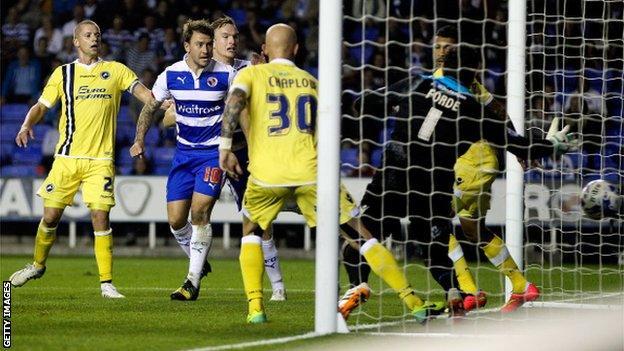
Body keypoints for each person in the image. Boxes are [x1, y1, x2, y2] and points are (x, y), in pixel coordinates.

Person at [219, 23, 445, 324]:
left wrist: (224, 147)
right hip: (312, 173)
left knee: (251, 233)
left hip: (267, 174)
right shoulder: (312, 82)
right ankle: (413, 302)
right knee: (361, 236)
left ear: (266, 49)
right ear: (296, 49)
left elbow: (234, 103)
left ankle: (256, 309)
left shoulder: (250, 74)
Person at [340, 43, 575, 318]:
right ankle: (454, 292)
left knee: (360, 237)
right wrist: (552, 146)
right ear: (475, 71)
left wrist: (393, 105)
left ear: (445, 65)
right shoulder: (475, 110)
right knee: (435, 248)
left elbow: (364, 103)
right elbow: (518, 144)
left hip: (394, 174)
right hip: (433, 185)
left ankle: (358, 286)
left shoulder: (418, 82)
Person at [9, 20, 155, 298]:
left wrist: (157, 99)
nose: (94, 39)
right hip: (66, 158)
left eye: (97, 35)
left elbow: (143, 94)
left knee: (100, 217)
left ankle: (106, 283)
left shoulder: (115, 70)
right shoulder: (63, 74)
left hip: (100, 160)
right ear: (76, 41)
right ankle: (38, 265)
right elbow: (42, 106)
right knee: (50, 217)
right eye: (88, 35)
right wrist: (27, 124)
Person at [160, 16, 287, 302]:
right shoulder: (195, 72)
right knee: (183, 218)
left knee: (259, 220)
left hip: (241, 154)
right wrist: (178, 111)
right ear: (211, 43)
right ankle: (197, 266)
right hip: (207, 153)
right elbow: (167, 118)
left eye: (235, 36)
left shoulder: (247, 69)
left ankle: (277, 285)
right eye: (226, 37)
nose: (232, 41)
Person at [131, 19, 219, 301]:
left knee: (200, 212)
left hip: (213, 154)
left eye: (209, 44)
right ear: (186, 46)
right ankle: (199, 261)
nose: (206, 50)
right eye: (200, 44)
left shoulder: (227, 74)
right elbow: (150, 108)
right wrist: (139, 139)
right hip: (183, 155)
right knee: (176, 220)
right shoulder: (171, 75)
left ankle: (191, 281)